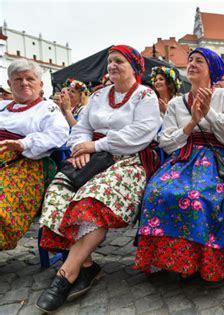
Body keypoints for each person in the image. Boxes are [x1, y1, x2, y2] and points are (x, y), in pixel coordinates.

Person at [36, 45, 161, 312]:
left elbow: (141, 133)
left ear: (135, 67)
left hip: (127, 160)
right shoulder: (99, 96)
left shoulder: (145, 96)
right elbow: (82, 127)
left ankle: (66, 274)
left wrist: (97, 146)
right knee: (58, 192)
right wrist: (81, 148)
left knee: (93, 200)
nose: (112, 65)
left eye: (119, 61)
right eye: (110, 62)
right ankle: (88, 265)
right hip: (90, 159)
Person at [135, 47, 224, 282]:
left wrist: (209, 114)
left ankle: (197, 263)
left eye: (199, 61)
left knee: (198, 197)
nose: (192, 64)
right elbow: (166, 143)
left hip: (215, 160)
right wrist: (192, 122)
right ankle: (169, 259)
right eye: (190, 60)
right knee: (156, 192)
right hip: (184, 158)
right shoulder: (176, 104)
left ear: (211, 70)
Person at [0, 60, 69, 251]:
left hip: (24, 163)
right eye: (18, 79)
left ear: (41, 84)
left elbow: (58, 134)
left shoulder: (47, 109)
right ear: (9, 83)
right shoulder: (3, 108)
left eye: (30, 78)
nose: (24, 83)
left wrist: (23, 143)